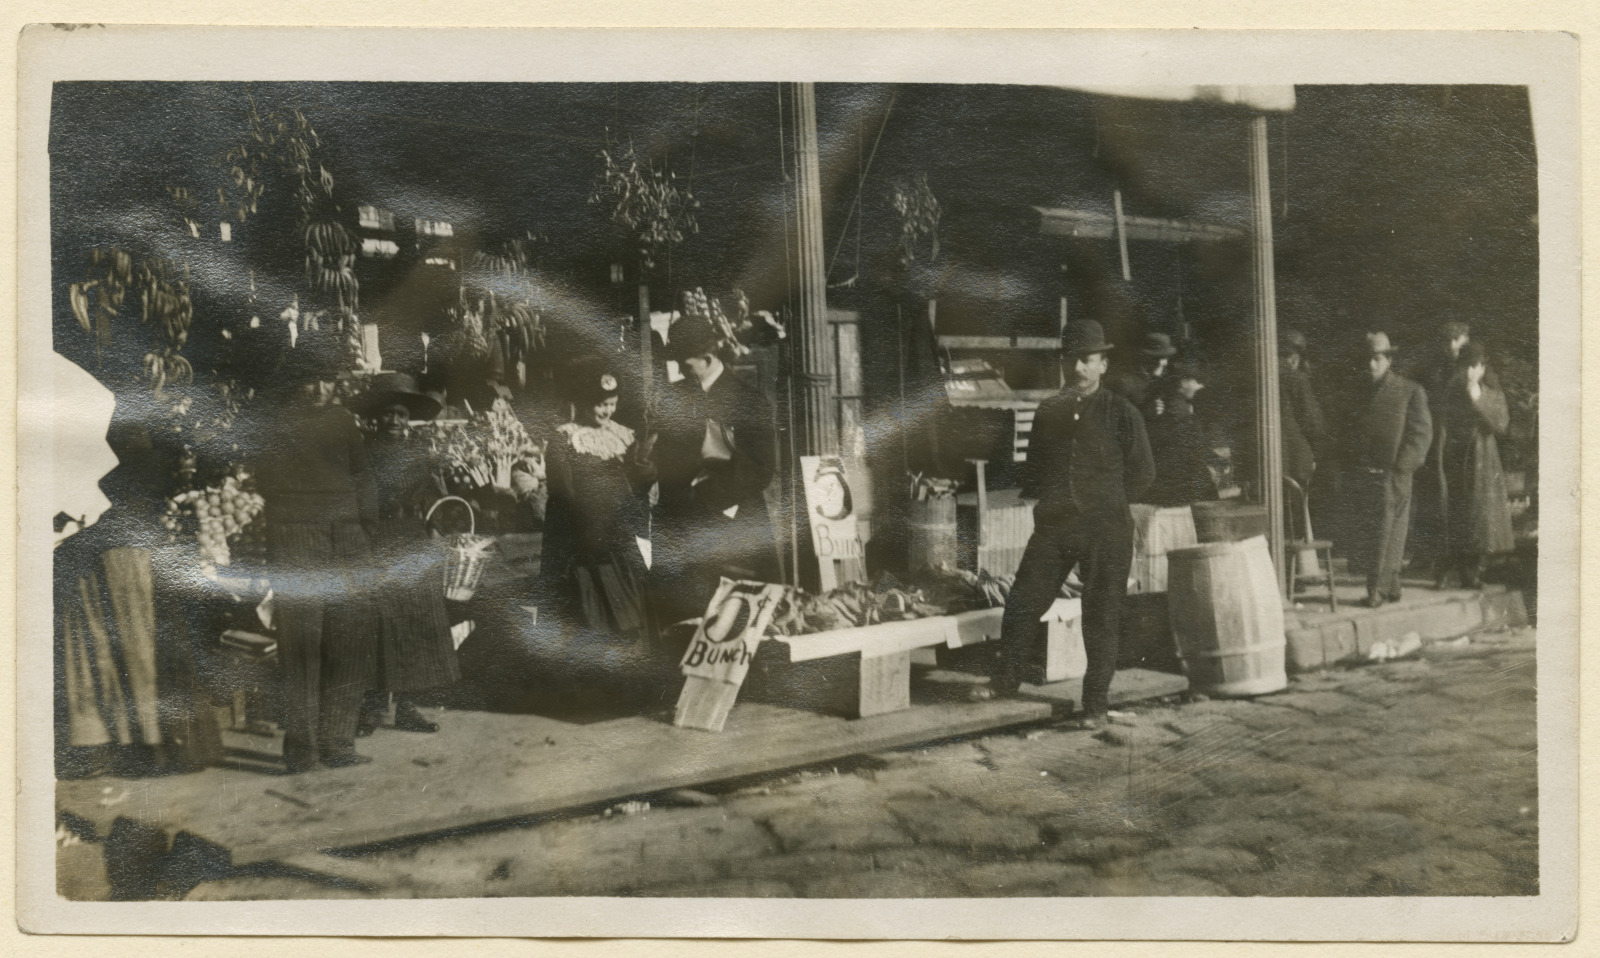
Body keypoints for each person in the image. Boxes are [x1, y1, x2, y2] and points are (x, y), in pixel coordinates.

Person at [970, 320, 1154, 729]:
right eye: (1073, 359)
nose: (1079, 368)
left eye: (1088, 360)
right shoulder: (1049, 410)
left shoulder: (1122, 413)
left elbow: (1143, 473)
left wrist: (1107, 502)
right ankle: (1006, 679)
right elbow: (1034, 469)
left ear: (1103, 364)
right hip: (1056, 526)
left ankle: (1095, 704)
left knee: (1101, 614)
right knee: (1022, 601)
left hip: (1106, 528)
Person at [252, 346, 380, 769]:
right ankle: (302, 749)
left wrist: (366, 530)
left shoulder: (343, 421)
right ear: (294, 384)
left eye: (328, 380)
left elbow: (363, 477)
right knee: (301, 644)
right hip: (297, 538)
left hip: (347, 539)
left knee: (349, 639)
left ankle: (338, 743)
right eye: (311, 380)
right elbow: (265, 481)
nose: (321, 388)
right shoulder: (275, 424)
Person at [348, 372, 458, 736]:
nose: (394, 421)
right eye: (387, 414)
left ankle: (408, 707)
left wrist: (438, 530)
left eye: (400, 414)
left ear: (408, 416)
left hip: (412, 541)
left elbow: (433, 497)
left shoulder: (419, 454)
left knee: (416, 623)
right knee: (378, 625)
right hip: (377, 540)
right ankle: (372, 708)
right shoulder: (362, 454)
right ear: (375, 417)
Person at [652, 315, 778, 627]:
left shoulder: (748, 399)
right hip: (681, 526)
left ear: (708, 358)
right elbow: (664, 456)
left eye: (685, 363)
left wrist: (704, 495)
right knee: (684, 620)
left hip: (734, 524)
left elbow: (761, 469)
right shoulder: (674, 397)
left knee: (734, 622)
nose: (680, 369)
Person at [540, 367, 657, 636]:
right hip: (583, 537)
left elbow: (637, 485)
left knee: (629, 613)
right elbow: (562, 494)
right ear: (584, 403)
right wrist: (584, 530)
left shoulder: (624, 436)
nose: (607, 411)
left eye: (612, 404)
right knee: (589, 617)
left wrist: (647, 475)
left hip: (620, 533)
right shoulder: (566, 438)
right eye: (601, 404)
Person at [1341, 331, 1433, 608]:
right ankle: (1391, 585)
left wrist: (1400, 467)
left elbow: (1421, 435)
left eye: (1377, 358)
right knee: (1379, 533)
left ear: (1389, 359)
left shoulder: (1409, 390)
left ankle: (1375, 591)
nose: (1371, 364)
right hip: (1366, 473)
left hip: (1393, 474)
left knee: (1386, 531)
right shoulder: (1360, 391)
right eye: (1367, 359)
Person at [1436, 343, 1515, 588]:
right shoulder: (1452, 391)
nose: (1470, 372)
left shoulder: (1490, 392)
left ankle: (1475, 569)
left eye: (1475, 366)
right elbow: (1444, 424)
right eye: (1466, 367)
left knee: (1481, 516)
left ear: (1482, 368)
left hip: (1484, 460)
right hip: (1459, 458)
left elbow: (1500, 423)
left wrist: (1477, 398)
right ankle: (1453, 569)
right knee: (1458, 512)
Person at [1411, 322, 1472, 577]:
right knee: (1431, 499)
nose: (1453, 346)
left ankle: (1455, 561)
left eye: (1457, 340)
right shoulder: (1431, 369)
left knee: (1457, 499)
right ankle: (1429, 556)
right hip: (1434, 440)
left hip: (1457, 444)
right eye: (1450, 340)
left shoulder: (1467, 368)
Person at [1143, 361, 1215, 507]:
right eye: (1196, 381)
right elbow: (1193, 450)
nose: (1200, 386)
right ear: (1182, 383)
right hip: (1179, 486)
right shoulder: (1179, 410)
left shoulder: (1171, 403)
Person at [1107, 331, 1177, 417]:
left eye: (1166, 357)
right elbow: (1113, 418)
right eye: (1159, 357)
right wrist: (1143, 412)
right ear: (1145, 358)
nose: (1164, 362)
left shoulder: (1164, 378)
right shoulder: (1124, 383)